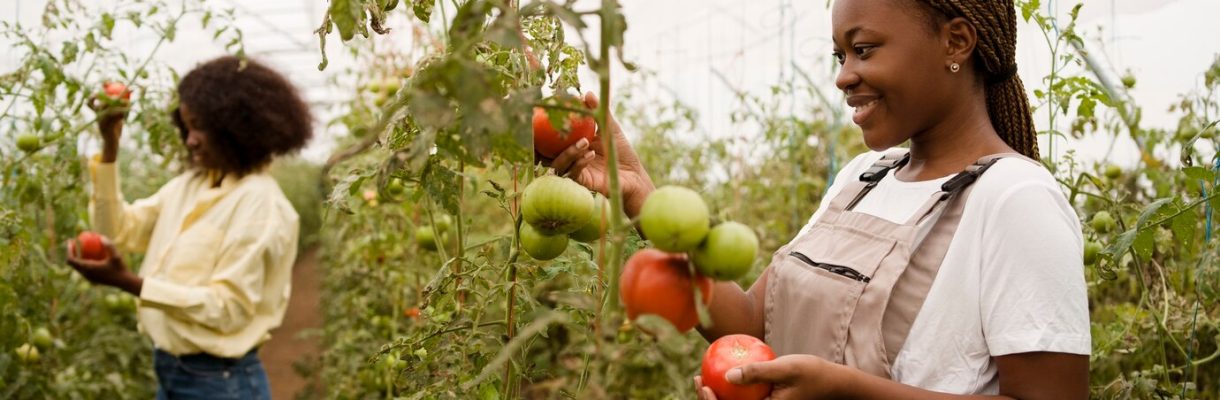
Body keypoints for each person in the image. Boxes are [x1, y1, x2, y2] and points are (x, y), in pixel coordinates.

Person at [545, 0, 1090, 398]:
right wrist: (639, 193)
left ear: (956, 42)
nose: (843, 76)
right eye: (839, 54)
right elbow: (754, 324)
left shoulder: (1015, 199)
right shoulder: (864, 177)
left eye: (864, 50)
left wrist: (848, 393)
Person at [65, 55, 312, 399]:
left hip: (220, 383)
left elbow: (228, 310)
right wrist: (110, 145)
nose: (191, 140)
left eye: (201, 128)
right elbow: (117, 232)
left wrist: (130, 284)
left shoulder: (262, 206)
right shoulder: (190, 185)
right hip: (172, 372)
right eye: (187, 127)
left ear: (238, 129)